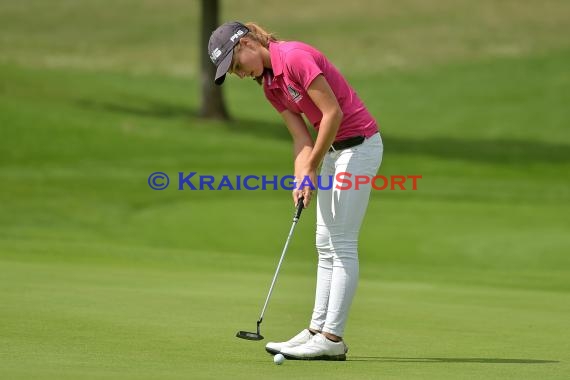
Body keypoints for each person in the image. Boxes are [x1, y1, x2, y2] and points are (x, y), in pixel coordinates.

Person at [208, 21, 383, 361]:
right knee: (323, 242)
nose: (238, 73)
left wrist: (313, 166)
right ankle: (317, 330)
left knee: (342, 242)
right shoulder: (271, 86)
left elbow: (333, 113)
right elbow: (302, 138)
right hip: (331, 151)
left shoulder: (295, 57)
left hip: (359, 148)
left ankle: (332, 338)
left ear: (246, 43)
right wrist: (301, 177)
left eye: (235, 64)